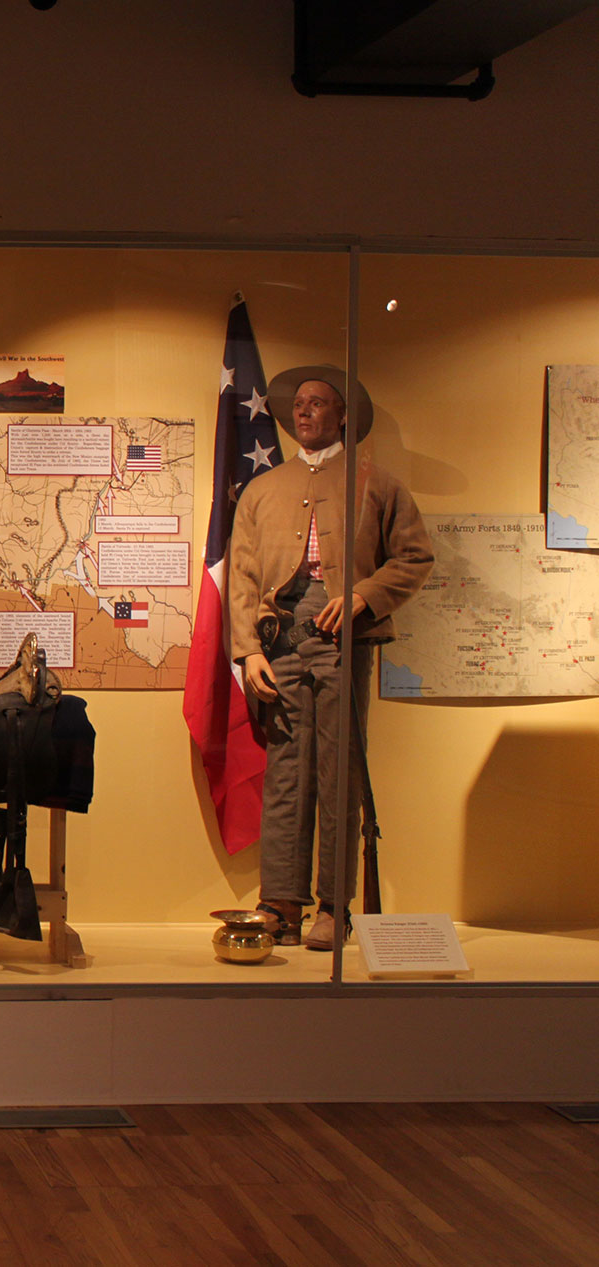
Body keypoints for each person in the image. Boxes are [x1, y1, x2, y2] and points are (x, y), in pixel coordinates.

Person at [229, 366, 433, 951]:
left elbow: (414, 557)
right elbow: (241, 576)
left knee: (338, 769)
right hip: (280, 638)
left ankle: (332, 906)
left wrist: (365, 594)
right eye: (299, 405)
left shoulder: (376, 483)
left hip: (345, 636)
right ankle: (280, 902)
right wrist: (247, 651)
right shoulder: (263, 490)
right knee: (286, 771)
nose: (305, 412)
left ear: (343, 415)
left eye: (319, 404)